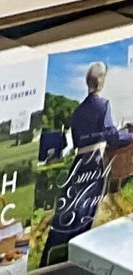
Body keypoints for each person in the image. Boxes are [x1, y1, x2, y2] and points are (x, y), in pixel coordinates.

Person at [49, 59, 133, 251]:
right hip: (95, 162)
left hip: (79, 162)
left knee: (70, 206)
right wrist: (129, 135)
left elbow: (77, 139)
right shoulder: (103, 104)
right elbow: (112, 136)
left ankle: (58, 248)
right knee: (87, 209)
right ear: (101, 81)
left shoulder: (78, 110)